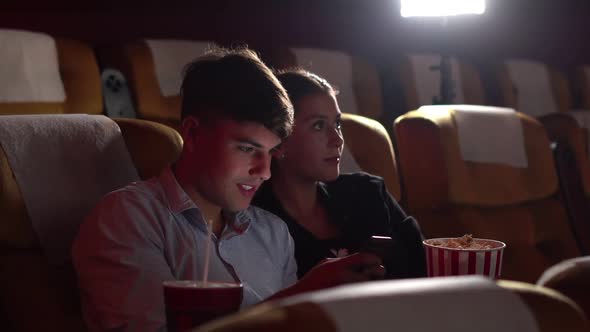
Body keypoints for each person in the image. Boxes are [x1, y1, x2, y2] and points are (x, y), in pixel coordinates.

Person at [72, 48, 385, 332]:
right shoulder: (130, 219)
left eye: (271, 152)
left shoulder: (273, 233)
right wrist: (301, 295)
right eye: (247, 149)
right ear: (193, 133)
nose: (263, 172)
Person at [253, 69, 426, 279]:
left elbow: (425, 267)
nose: (337, 139)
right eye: (318, 126)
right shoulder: (255, 222)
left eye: (337, 123)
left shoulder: (368, 193)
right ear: (278, 142)